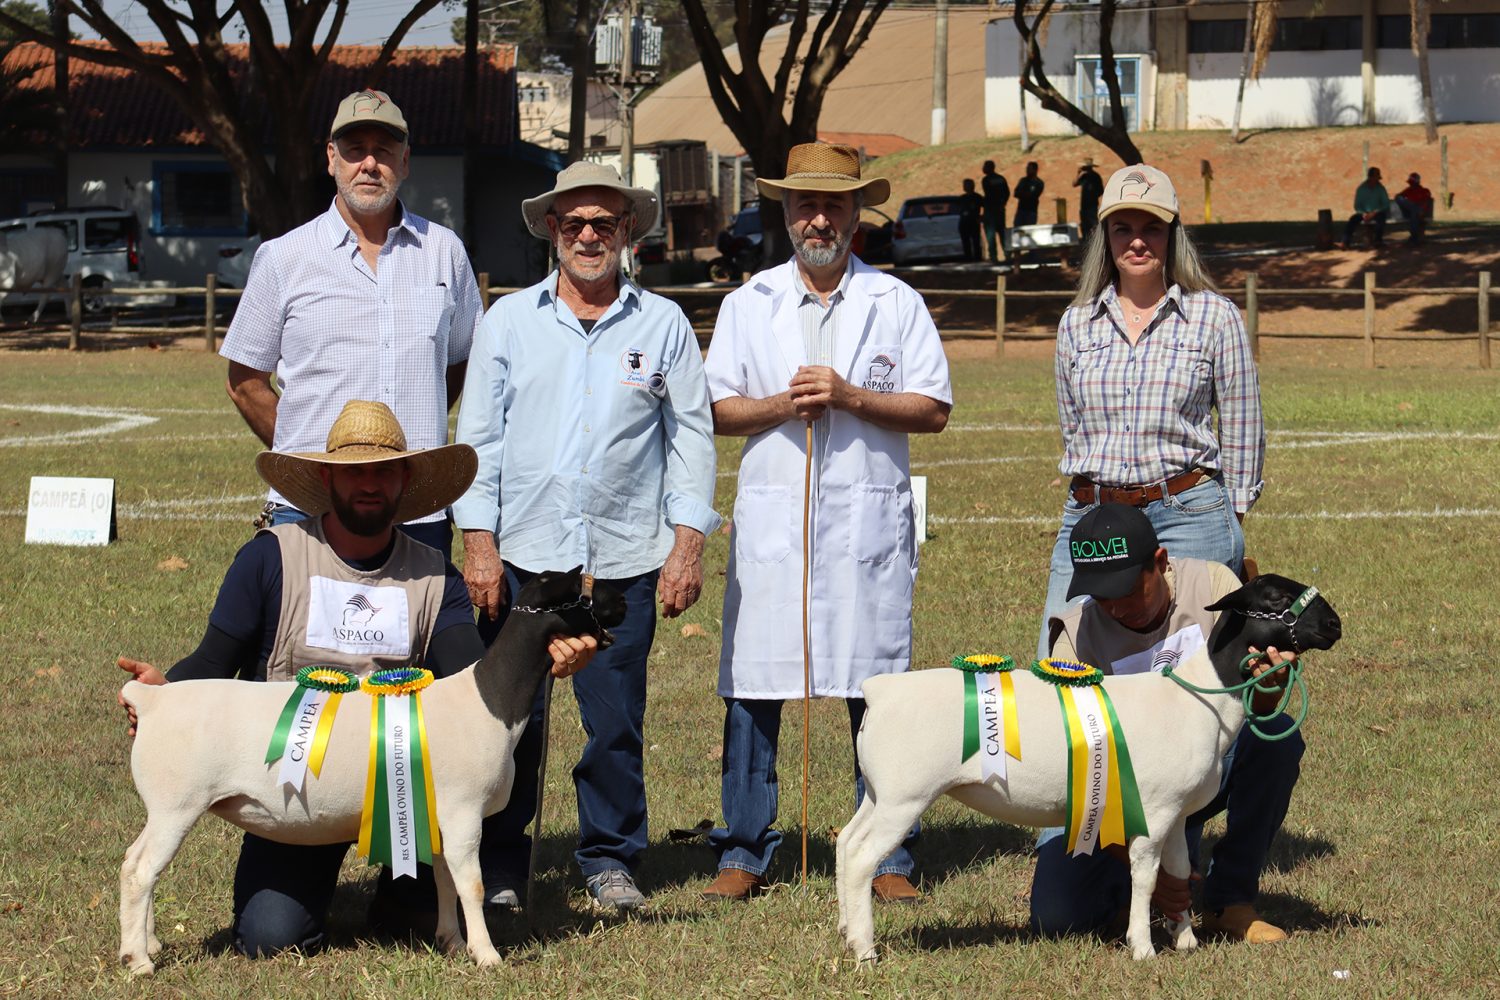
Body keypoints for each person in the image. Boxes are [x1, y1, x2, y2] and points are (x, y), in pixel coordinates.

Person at [115, 400, 596, 957]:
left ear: (404, 481)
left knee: (417, 923)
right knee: (272, 937)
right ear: (327, 477)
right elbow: (212, 662)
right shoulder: (271, 557)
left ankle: (403, 897)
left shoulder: (435, 574)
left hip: (400, 786)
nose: (369, 484)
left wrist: (546, 654)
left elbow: (473, 675)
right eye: (354, 472)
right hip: (295, 783)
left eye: (383, 471)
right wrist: (164, 690)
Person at [452, 161, 721, 915]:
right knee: (507, 723)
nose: (590, 236)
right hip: (525, 563)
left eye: (605, 223)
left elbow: (692, 438)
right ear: (552, 232)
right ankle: (502, 865)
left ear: (628, 231)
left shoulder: (663, 324)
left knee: (614, 724)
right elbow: (479, 441)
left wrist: (687, 543)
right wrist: (478, 541)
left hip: (624, 562)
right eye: (575, 224)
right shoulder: (507, 320)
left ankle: (609, 861)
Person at [699, 142, 953, 902]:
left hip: (863, 525)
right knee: (754, 682)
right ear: (784, 214)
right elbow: (718, 408)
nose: (819, 218)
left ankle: (891, 853)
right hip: (777, 524)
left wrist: (847, 396)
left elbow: (932, 408)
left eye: (834, 205)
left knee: (875, 687)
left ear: (855, 215)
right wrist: (787, 403)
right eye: (805, 205)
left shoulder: (895, 302)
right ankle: (744, 848)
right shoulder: (750, 305)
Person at [220, 89, 483, 557]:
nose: (368, 164)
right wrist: (308, 463)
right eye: (354, 150)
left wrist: (401, 451)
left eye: (382, 151)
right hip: (308, 510)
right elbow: (244, 381)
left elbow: (461, 362)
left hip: (414, 510)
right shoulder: (283, 257)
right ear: (331, 159)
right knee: (302, 633)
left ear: (405, 161)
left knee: (416, 631)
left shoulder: (445, 253)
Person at [1031, 504, 1302, 945]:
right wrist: (1139, 864)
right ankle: (1138, 886)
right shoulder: (1074, 639)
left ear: (1160, 562)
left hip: (1205, 764)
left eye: (1127, 590)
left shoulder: (1214, 587)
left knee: (1276, 739)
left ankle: (1229, 899)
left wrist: (1271, 684)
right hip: (1117, 796)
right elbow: (1075, 771)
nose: (1117, 608)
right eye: (1102, 596)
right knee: (1058, 918)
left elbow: (1260, 707)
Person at [1038, 163, 1264, 661]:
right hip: (1095, 518)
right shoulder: (1075, 325)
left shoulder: (1215, 315)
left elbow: (1244, 422)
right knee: (1061, 662)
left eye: (1151, 229)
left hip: (1188, 514)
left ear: (1172, 235)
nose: (1137, 242)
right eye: (1123, 229)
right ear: (1106, 238)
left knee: (1203, 673)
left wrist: (1234, 513)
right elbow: (1073, 429)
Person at [1339, 166, 1391, 250]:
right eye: (1376, 178)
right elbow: (1357, 205)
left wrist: (1375, 212)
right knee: (1352, 220)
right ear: (1371, 177)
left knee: (1381, 219)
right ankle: (1345, 242)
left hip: (1377, 212)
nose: (1377, 180)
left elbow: (1386, 204)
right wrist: (1363, 214)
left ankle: (1378, 241)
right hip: (1364, 213)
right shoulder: (1361, 189)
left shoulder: (1381, 189)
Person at [981, 160, 1010, 263]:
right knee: (1002, 233)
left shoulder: (986, 180)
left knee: (990, 234)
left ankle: (993, 257)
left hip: (990, 211)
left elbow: (989, 195)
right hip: (1000, 210)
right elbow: (1007, 193)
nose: (982, 168)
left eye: (984, 166)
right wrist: (1002, 204)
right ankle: (1008, 255)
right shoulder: (1001, 179)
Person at [1394, 172, 1433, 245]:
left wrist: (1422, 210)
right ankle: (1414, 238)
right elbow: (1398, 197)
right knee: (1402, 200)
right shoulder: (1408, 190)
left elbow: (1426, 202)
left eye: (1412, 183)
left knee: (1414, 214)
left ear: (1417, 182)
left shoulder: (1424, 191)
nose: (1410, 185)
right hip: (1409, 212)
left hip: (1420, 213)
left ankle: (1414, 238)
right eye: (1410, 183)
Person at [1074, 157, 1104, 243]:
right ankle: (1086, 243)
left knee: (1093, 225)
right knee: (1084, 225)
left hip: (1092, 205)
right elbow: (1074, 183)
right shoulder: (1083, 176)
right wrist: (1079, 174)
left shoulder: (1095, 176)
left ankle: (1098, 242)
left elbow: (1100, 191)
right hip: (1083, 206)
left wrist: (1093, 195)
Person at [957, 178, 984, 262]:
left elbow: (985, 207)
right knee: (965, 241)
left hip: (974, 221)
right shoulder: (962, 198)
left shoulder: (977, 197)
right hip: (964, 222)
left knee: (976, 240)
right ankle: (967, 258)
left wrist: (981, 217)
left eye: (966, 185)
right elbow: (958, 209)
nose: (964, 187)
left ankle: (978, 258)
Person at [1013, 161, 1045, 227]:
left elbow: (1033, 195)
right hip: (1021, 210)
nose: (1027, 170)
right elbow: (1016, 193)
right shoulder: (1023, 180)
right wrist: (1025, 194)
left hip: (1031, 212)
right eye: (1027, 168)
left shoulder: (1039, 183)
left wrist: (1023, 193)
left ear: (1035, 170)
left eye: (1029, 169)